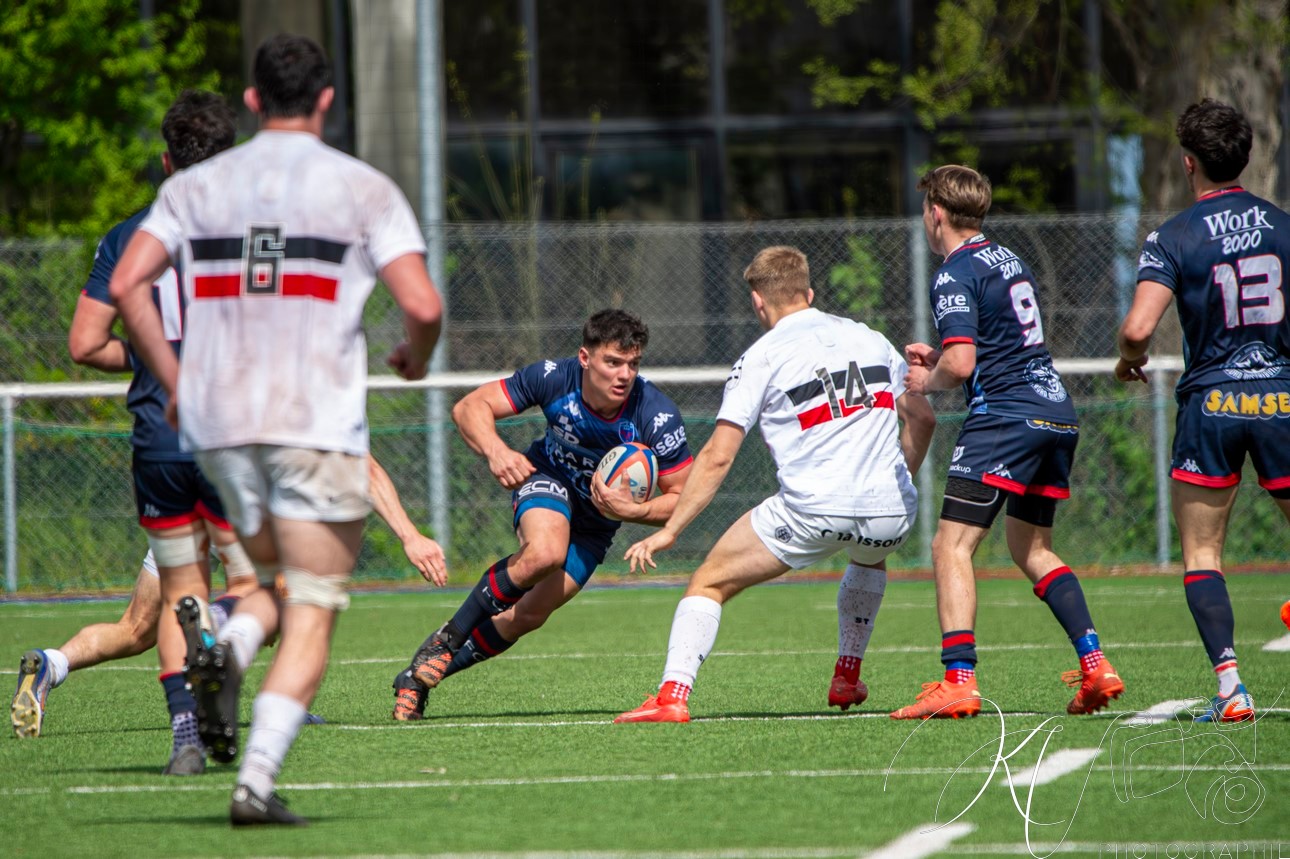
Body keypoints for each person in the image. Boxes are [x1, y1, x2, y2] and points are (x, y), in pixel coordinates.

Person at [109, 34, 442, 825]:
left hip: (220, 429)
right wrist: (413, 355)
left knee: (263, 586)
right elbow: (423, 305)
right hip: (316, 425)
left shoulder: (199, 186)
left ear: (253, 101)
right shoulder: (361, 187)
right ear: (327, 100)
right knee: (312, 602)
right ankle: (254, 779)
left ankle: (221, 645)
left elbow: (128, 284)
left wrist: (179, 380)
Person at [11, 91, 251, 776]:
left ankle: (183, 735)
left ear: (166, 159)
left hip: (156, 438)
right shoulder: (252, 233)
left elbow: (85, 343)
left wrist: (152, 355)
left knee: (163, 606)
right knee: (268, 583)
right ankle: (229, 658)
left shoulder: (126, 237)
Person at [615, 246, 936, 723]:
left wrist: (669, 530)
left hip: (811, 513)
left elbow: (719, 455)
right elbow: (924, 418)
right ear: (809, 293)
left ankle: (672, 696)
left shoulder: (761, 356)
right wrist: (893, 487)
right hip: (891, 514)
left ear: (757, 302)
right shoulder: (870, 339)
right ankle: (847, 672)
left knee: (708, 582)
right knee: (871, 552)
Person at [891, 165, 1124, 720]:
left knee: (951, 546)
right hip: (1054, 411)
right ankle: (1096, 666)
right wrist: (948, 362)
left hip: (1005, 418)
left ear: (936, 213)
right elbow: (988, 347)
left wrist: (930, 378)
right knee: (1033, 549)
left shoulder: (952, 273)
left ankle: (958, 681)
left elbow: (966, 359)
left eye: (925, 208)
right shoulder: (1008, 257)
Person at [391, 308, 694, 719]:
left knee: (527, 614)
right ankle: (447, 640)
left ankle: (419, 675)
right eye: (613, 362)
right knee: (546, 551)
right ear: (585, 359)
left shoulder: (655, 414)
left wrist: (634, 510)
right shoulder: (554, 377)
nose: (624, 375)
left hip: (597, 525)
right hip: (548, 479)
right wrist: (497, 451)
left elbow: (684, 497)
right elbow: (469, 408)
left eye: (633, 364)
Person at [10, 455, 443, 741]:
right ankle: (250, 676)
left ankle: (52, 663)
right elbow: (362, 466)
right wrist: (409, 535)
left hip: (183, 499)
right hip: (234, 510)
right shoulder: (298, 381)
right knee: (275, 606)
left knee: (136, 628)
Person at [1116, 99, 1290, 723]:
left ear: (1189, 163)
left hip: (1212, 401)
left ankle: (1231, 687)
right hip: (1283, 398)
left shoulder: (1174, 237)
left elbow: (1138, 328)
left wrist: (1126, 358)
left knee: (1203, 555)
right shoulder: (1283, 225)